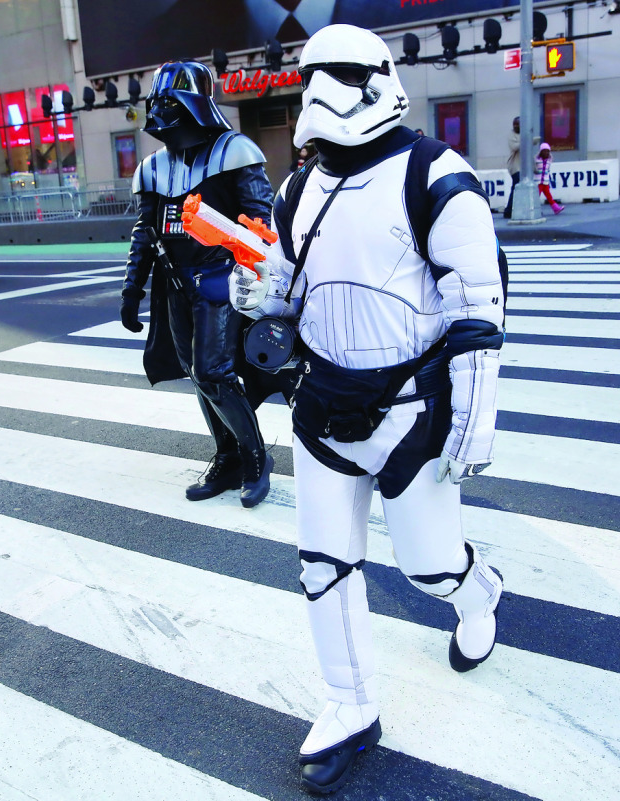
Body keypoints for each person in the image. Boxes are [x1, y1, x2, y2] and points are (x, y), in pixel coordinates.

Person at [229, 24, 505, 794]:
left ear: (381, 78)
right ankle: (348, 701)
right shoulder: (296, 189)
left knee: (427, 565)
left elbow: (479, 311)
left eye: (341, 73)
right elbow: (287, 288)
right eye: (309, 75)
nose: (320, 90)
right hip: (321, 404)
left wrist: (474, 420)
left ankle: (477, 588)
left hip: (411, 410)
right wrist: (255, 293)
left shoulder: (435, 175)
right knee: (323, 564)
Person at [120, 61, 276, 508]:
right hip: (176, 285)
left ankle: (254, 458)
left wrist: (255, 274)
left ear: (194, 104)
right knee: (198, 376)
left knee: (214, 373)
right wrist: (133, 289)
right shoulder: (152, 168)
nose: (161, 112)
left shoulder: (235, 150)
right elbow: (144, 231)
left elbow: (259, 221)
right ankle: (227, 457)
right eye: (158, 103)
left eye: (171, 102)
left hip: (222, 280)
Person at [536, 142, 564, 214]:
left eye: (548, 151)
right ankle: (536, 210)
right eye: (544, 151)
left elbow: (548, 170)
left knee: (549, 196)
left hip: (545, 182)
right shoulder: (537, 160)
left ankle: (555, 208)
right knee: (536, 197)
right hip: (538, 182)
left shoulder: (549, 160)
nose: (546, 153)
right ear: (541, 152)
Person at [503, 116, 520, 219]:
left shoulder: (523, 135)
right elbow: (514, 147)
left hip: (523, 167)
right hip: (515, 166)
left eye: (518, 124)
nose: (516, 126)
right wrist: (526, 140)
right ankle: (508, 211)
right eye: (515, 124)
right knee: (515, 188)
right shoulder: (511, 135)